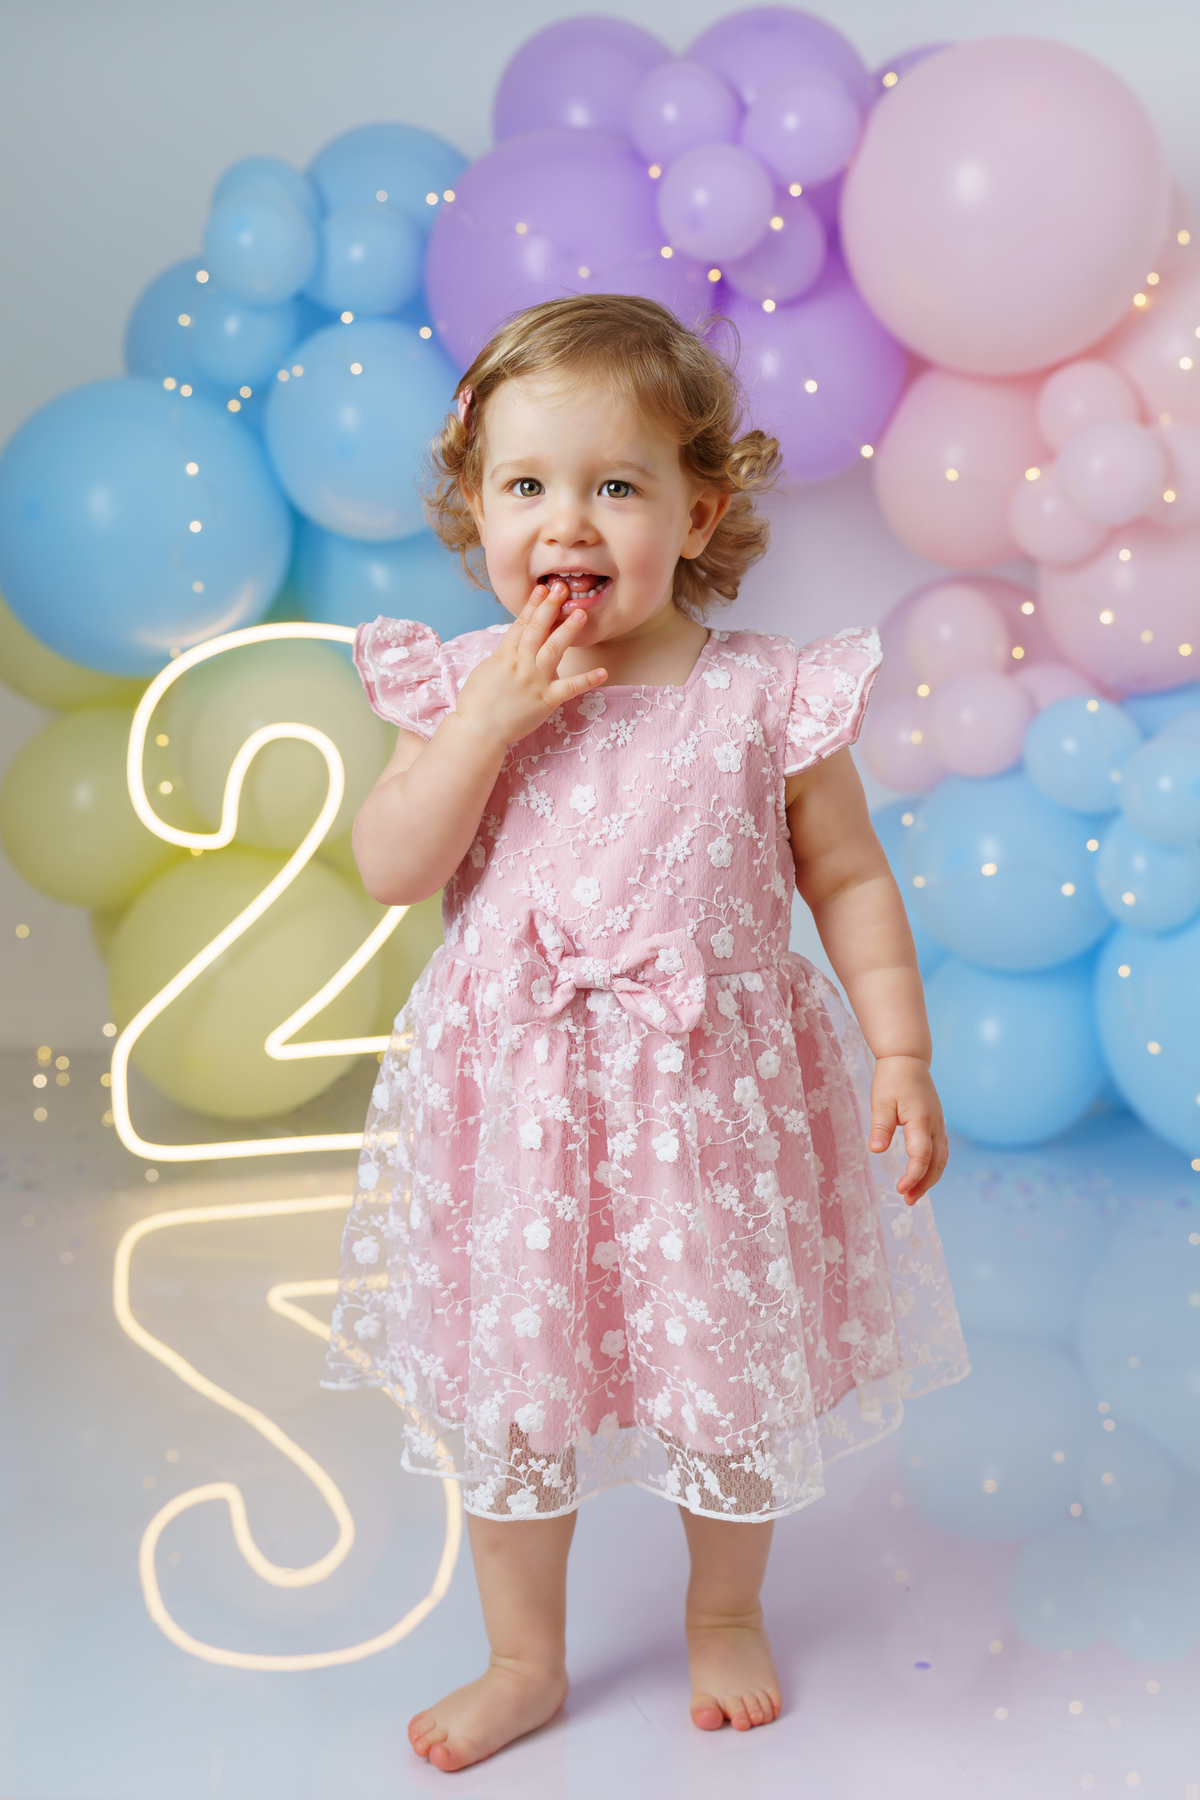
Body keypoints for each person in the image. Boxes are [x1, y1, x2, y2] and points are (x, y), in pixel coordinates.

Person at [324, 293, 967, 1772]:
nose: (567, 521)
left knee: (723, 1368)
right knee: (515, 1390)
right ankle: (523, 1656)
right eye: (525, 486)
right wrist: (487, 725)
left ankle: (725, 1609)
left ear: (699, 513)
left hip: (705, 1106)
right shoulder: (463, 687)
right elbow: (394, 866)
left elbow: (848, 879)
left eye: (615, 485)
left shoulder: (762, 698)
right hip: (525, 1117)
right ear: (476, 507)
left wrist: (901, 1053)